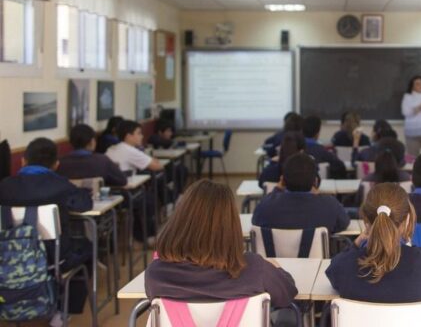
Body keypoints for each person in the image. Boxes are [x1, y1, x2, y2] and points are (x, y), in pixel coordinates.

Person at [145, 180, 297, 306]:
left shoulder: (156, 274)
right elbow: (287, 292)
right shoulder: (254, 269)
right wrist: (277, 268)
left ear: (179, 221)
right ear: (231, 226)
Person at [0, 138, 93, 314]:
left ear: (23, 160)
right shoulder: (60, 185)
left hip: (7, 259)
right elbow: (84, 204)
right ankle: (65, 309)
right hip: (54, 259)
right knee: (88, 246)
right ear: (56, 164)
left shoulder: (4, 186)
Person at [325, 183, 421, 303]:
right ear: (407, 219)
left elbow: (332, 271)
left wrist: (356, 244)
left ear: (366, 221)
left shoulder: (346, 265)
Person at [252, 153, 350, 234]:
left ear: (283, 181)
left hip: (272, 258)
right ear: (315, 182)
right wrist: (320, 196)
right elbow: (344, 222)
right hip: (317, 258)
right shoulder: (329, 205)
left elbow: (255, 221)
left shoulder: (265, 206)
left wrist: (276, 190)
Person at [58, 124, 127, 188]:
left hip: (67, 200)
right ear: (92, 141)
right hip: (98, 199)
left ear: (71, 142)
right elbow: (122, 181)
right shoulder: (102, 160)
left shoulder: (59, 163)